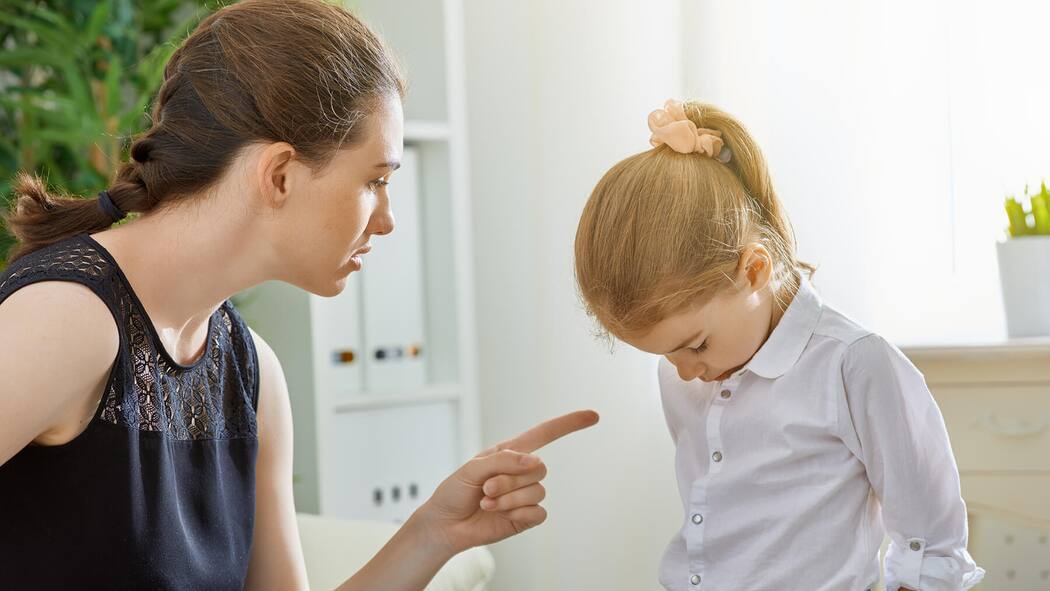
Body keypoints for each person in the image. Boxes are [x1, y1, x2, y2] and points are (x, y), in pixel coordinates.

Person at [0, 1, 598, 588]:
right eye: (375, 180)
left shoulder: (252, 372)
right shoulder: (67, 319)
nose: (387, 219)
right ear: (280, 174)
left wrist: (432, 533)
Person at [573, 98, 982, 591]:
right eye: (665, 353)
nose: (683, 371)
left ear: (754, 270)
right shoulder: (683, 377)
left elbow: (931, 542)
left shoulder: (854, 365)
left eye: (696, 345)